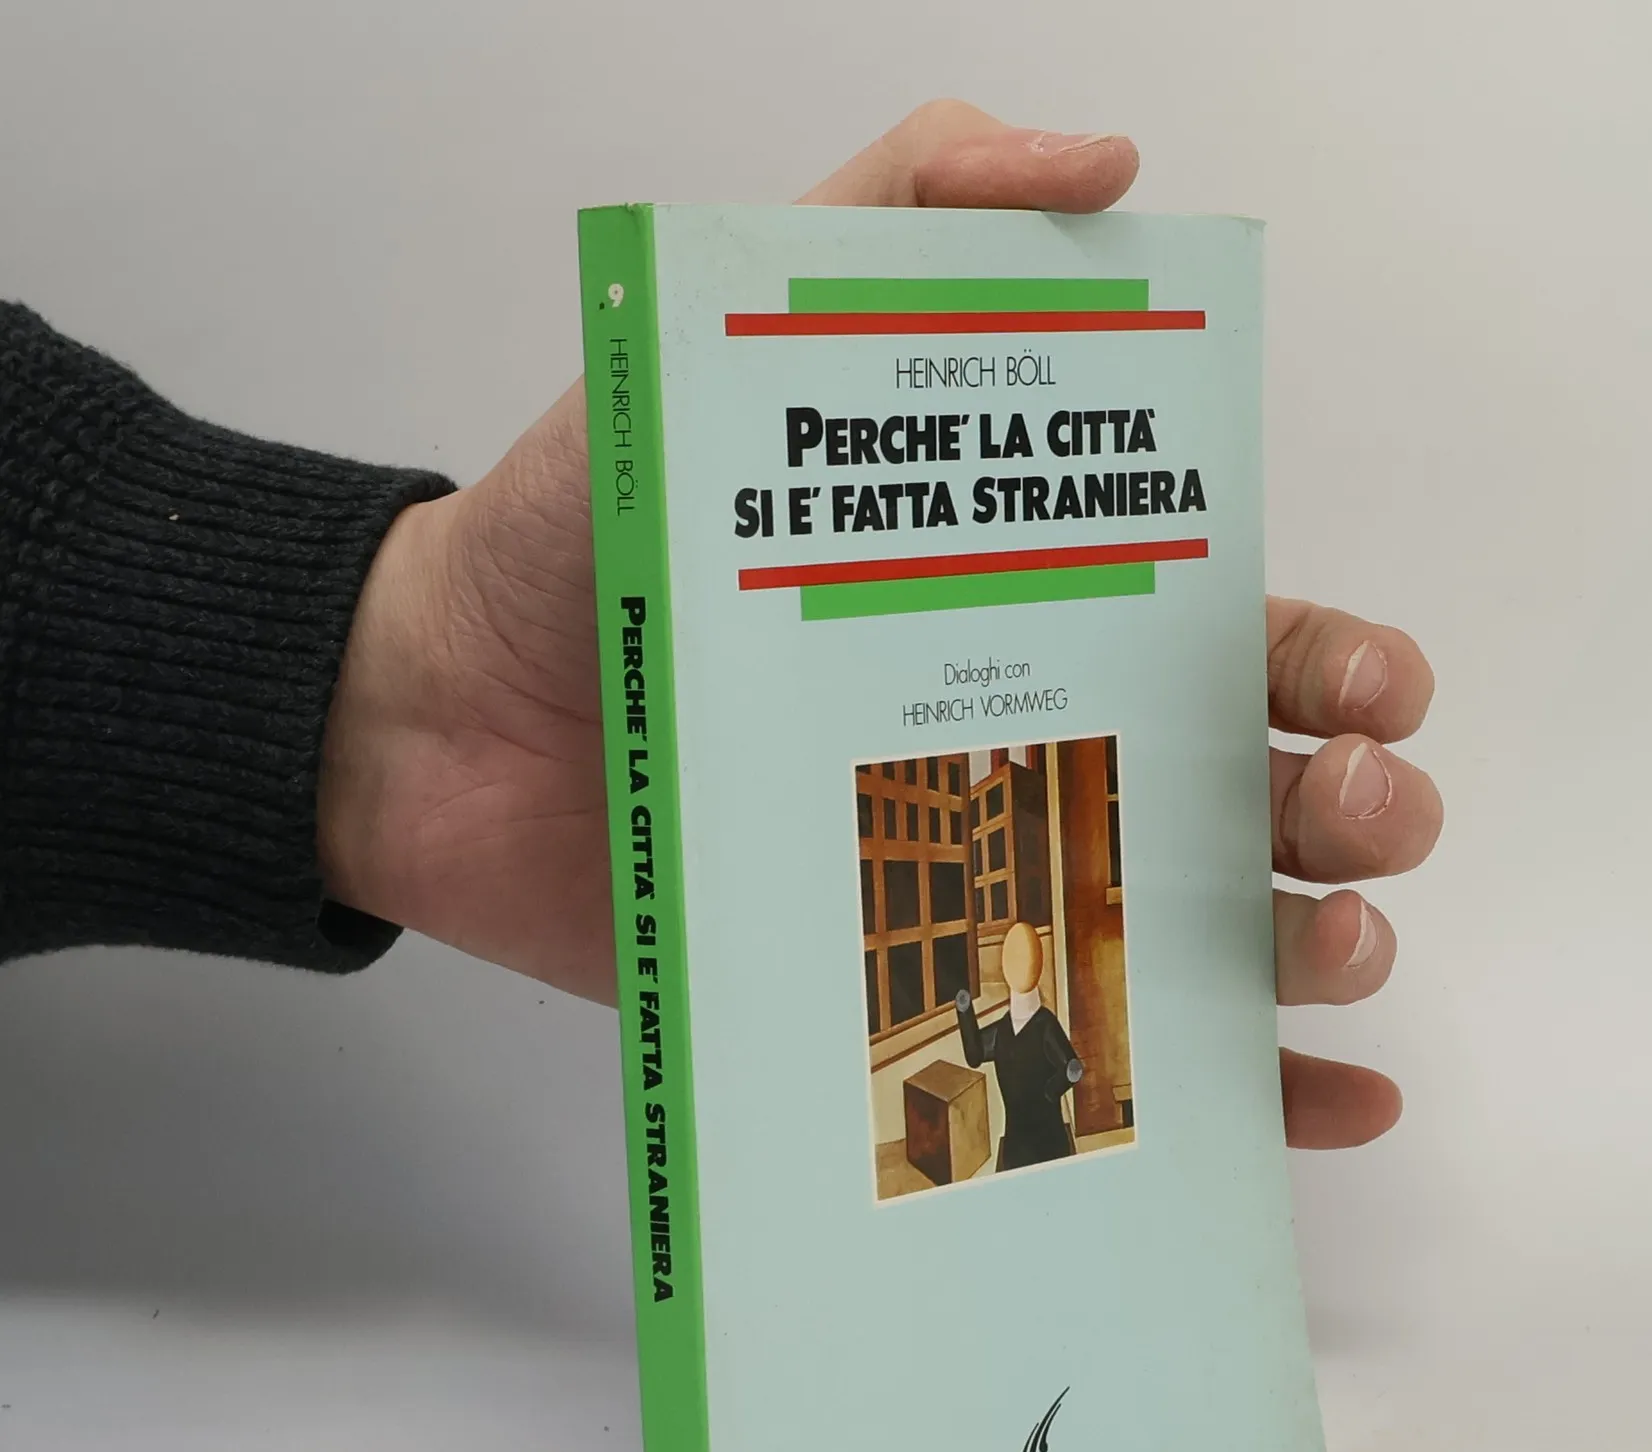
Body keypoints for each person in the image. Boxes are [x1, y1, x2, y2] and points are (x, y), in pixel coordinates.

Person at [0, 101, 1441, 1149]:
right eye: (1005, 955)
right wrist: (413, 683)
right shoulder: (979, 1008)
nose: (1007, 964)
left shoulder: (1033, 1012)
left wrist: (410, 673)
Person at [955, 922, 1083, 1170]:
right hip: (1015, 1147)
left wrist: (1048, 1093)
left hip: (1049, 1146)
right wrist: (964, 1010)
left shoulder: (1045, 1024)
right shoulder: (1003, 1028)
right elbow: (974, 1054)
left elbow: (1073, 1068)